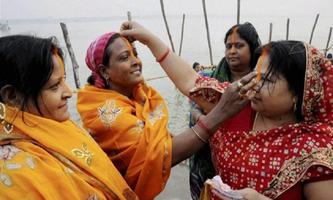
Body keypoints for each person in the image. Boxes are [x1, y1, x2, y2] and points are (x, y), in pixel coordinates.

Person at [76, 27, 258, 199]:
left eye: (136, 54)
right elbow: (161, 155)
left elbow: (161, 142)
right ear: (103, 71)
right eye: (125, 57)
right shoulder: (107, 114)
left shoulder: (141, 95)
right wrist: (218, 114)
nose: (136, 62)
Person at [0, 35, 140, 199]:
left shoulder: (58, 125)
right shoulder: (13, 175)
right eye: (54, 87)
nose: (68, 93)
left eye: (64, 80)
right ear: (11, 96)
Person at [196, 41, 333, 199]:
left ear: (298, 93)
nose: (254, 85)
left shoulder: (317, 150)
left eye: (267, 81)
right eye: (255, 76)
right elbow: (189, 82)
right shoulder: (238, 107)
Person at [189, 22, 261, 200]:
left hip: (252, 155)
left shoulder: (263, 80)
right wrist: (205, 119)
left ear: (253, 48)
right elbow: (195, 109)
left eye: (239, 45)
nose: (232, 51)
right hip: (212, 154)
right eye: (229, 46)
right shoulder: (213, 78)